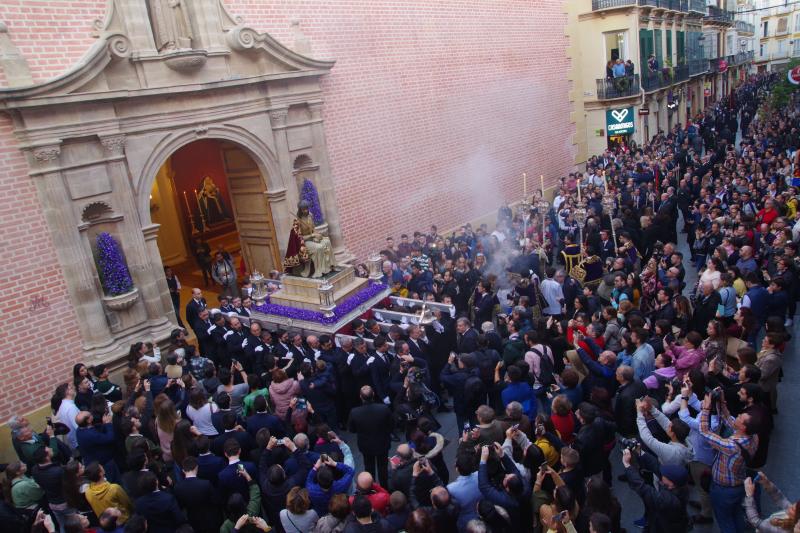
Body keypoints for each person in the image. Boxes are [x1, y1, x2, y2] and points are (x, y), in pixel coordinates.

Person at [622, 447, 689, 532]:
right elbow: (657, 466)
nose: (661, 475)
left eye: (664, 475)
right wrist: (640, 451)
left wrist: (627, 465)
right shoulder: (677, 486)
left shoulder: (669, 500)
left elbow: (643, 489)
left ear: (671, 483)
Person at [348, 386, 394, 488]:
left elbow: (352, 430)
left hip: (366, 445)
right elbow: (391, 425)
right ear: (373, 394)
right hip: (382, 443)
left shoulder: (354, 412)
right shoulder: (384, 408)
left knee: (369, 468)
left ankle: (371, 488)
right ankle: (385, 488)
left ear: (361, 397)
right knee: (383, 467)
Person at [283, 200, 335, 278]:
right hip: (305, 242)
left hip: (312, 239)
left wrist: (317, 235)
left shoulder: (310, 216)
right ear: (300, 210)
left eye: (307, 208)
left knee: (327, 241)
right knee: (319, 247)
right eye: (304, 209)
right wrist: (312, 235)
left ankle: (330, 266)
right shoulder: (297, 222)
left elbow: (313, 228)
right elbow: (299, 238)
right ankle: (318, 271)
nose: (306, 211)